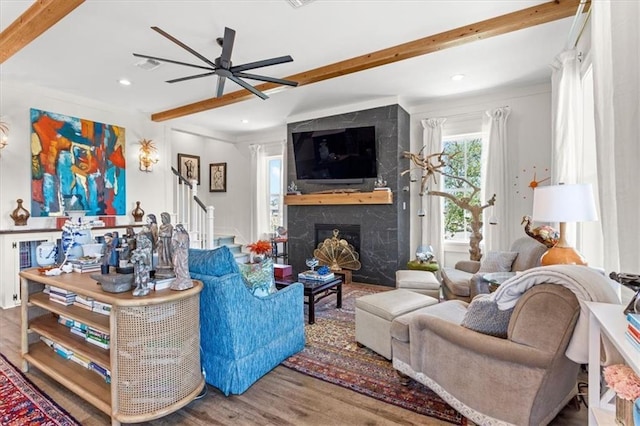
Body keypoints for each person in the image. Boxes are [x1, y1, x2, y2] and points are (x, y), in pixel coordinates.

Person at [170, 224, 192, 290]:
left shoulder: (184, 235)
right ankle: (179, 278)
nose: (177, 230)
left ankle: (184, 278)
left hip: (183, 253)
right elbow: (173, 244)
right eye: (176, 228)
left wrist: (178, 243)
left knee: (182, 265)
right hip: (177, 252)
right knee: (175, 264)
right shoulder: (176, 235)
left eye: (178, 228)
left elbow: (182, 244)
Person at [131, 232, 152, 297]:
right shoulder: (138, 249)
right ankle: (138, 286)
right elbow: (133, 259)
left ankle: (144, 287)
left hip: (143, 266)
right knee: (138, 277)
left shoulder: (147, 248)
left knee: (143, 277)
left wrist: (141, 255)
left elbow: (147, 258)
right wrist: (135, 257)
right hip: (138, 267)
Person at [155, 212, 175, 279]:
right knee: (161, 254)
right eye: (161, 218)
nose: (162, 219)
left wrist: (164, 234)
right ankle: (162, 264)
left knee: (167, 254)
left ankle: (168, 263)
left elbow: (170, 234)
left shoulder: (170, 226)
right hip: (162, 242)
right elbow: (159, 233)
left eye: (163, 218)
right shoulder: (161, 226)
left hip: (167, 242)